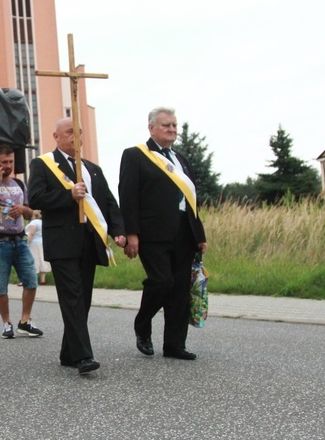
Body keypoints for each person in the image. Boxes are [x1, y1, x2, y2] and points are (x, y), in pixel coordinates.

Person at [28, 117, 126, 375]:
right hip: (62, 242)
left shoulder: (92, 168)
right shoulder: (43, 164)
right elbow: (36, 197)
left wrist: (118, 231)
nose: (75, 136)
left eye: (79, 132)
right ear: (56, 136)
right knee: (72, 298)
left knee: (83, 300)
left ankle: (68, 352)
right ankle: (84, 357)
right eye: (70, 132)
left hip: (89, 242)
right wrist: (67, 195)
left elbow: (107, 201)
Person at [119, 107, 208, 360]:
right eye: (166, 125)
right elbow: (128, 196)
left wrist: (199, 235)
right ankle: (142, 324)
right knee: (162, 281)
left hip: (184, 232)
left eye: (174, 125)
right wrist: (132, 233)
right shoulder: (135, 155)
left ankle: (174, 345)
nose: (172, 129)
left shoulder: (181, 160)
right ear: (151, 128)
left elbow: (192, 202)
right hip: (152, 232)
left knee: (180, 289)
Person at [0, 144, 42, 339]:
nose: (8, 165)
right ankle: (6, 323)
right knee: (0, 286)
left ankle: (25, 320)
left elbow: (33, 213)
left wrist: (23, 210)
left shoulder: (20, 185)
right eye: (4, 162)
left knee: (31, 280)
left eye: (11, 161)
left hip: (19, 240)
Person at [25, 210, 50, 285]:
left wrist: (27, 242)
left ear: (34, 216)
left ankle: (32, 279)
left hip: (34, 243)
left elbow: (31, 233)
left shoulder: (34, 222)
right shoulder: (43, 222)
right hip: (43, 242)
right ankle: (43, 280)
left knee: (34, 259)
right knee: (42, 259)